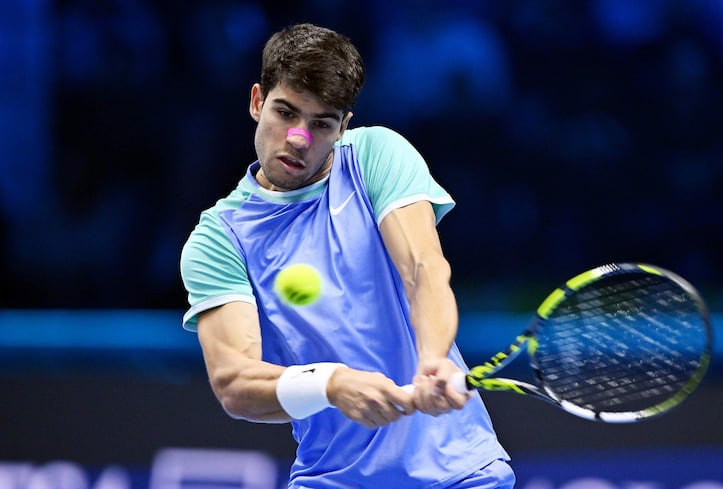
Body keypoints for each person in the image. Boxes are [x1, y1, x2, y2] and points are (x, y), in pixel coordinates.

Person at [180, 23, 514, 488]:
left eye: (321, 123)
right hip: (332, 479)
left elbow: (424, 270)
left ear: (344, 127)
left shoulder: (375, 156)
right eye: (285, 112)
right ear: (257, 102)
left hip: (460, 473)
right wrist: (330, 384)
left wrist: (433, 357)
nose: (298, 137)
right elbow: (236, 383)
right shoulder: (220, 238)